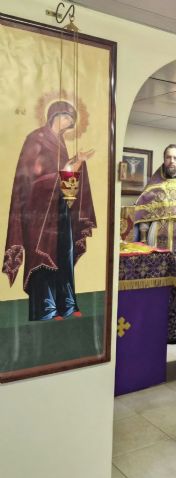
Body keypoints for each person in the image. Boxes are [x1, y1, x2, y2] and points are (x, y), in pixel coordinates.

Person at [2, 100, 96, 321]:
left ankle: (67, 304)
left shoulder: (61, 143)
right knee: (43, 257)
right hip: (38, 213)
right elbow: (28, 180)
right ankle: (47, 308)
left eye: (71, 121)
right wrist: (65, 171)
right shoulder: (36, 139)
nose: (68, 123)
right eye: (66, 118)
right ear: (54, 115)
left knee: (64, 254)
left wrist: (77, 163)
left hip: (59, 210)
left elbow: (64, 178)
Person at [134, 144, 176, 250]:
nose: (171, 161)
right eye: (168, 157)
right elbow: (143, 214)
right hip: (155, 236)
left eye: (175, 158)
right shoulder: (154, 185)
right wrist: (143, 236)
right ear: (164, 159)